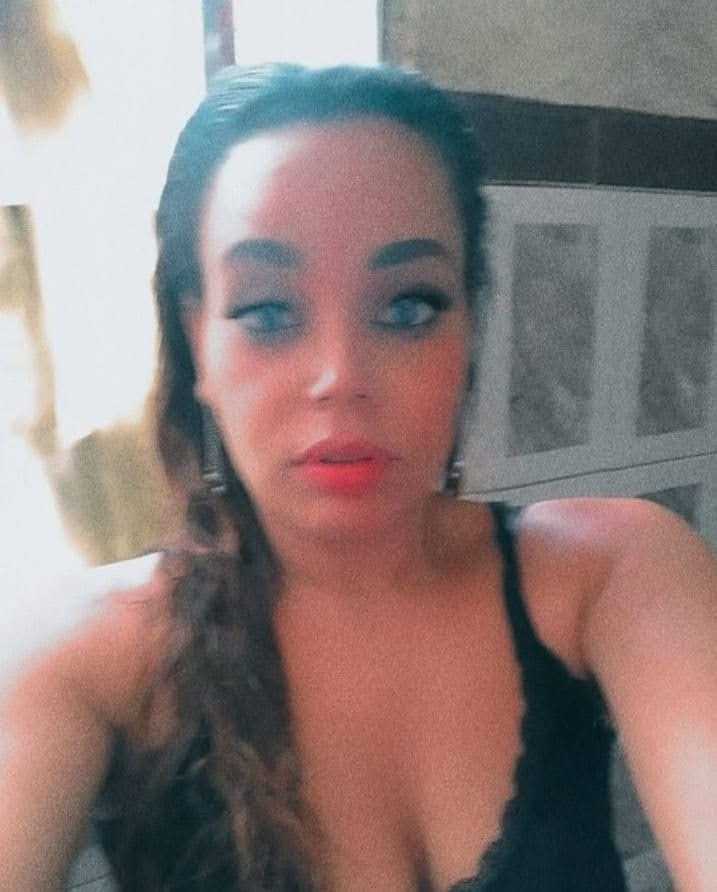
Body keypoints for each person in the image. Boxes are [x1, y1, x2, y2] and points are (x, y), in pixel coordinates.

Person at [1, 64, 716, 892]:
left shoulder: (613, 571)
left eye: (408, 307)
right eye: (268, 311)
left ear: (468, 330)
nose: (340, 376)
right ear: (198, 342)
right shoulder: (83, 659)